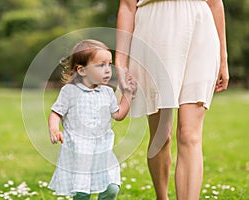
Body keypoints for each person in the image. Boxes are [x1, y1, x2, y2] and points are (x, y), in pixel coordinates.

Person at [115, 0, 229, 199]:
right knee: (161, 136)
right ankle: (162, 197)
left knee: (189, 135)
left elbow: (215, 3)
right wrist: (120, 62)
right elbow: (127, 6)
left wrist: (223, 58)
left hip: (200, 29)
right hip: (154, 29)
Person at [48, 39, 136, 200]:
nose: (108, 70)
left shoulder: (107, 92)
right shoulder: (70, 91)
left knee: (112, 188)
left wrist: (128, 95)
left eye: (109, 64)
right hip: (79, 152)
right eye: (101, 65)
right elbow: (56, 113)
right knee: (82, 192)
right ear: (81, 70)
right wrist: (54, 129)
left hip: (103, 151)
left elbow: (118, 115)